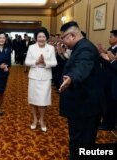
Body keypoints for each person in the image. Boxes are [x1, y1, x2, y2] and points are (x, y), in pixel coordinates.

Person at [59, 21, 102, 160]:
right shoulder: (80, 47)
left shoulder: (85, 49)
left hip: (86, 106)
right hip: (81, 105)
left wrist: (71, 78)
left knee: (83, 141)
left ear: (72, 35)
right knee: (78, 139)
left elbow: (82, 67)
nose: (63, 42)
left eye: (63, 38)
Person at [25, 27, 57, 132]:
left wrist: (45, 63)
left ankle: (42, 120)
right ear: (36, 38)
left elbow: (55, 63)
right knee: (33, 100)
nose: (41, 39)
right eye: (39, 36)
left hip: (46, 76)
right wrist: (36, 62)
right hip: (34, 76)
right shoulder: (31, 47)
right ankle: (34, 119)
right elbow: (27, 62)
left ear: (46, 37)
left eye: (43, 36)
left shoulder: (51, 48)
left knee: (43, 101)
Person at [97, 29, 117, 131]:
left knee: (110, 105)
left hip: (112, 82)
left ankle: (109, 124)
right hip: (105, 81)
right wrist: (101, 53)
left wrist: (111, 59)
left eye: (111, 36)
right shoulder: (110, 48)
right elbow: (105, 62)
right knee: (105, 103)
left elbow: (114, 65)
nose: (109, 38)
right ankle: (105, 122)